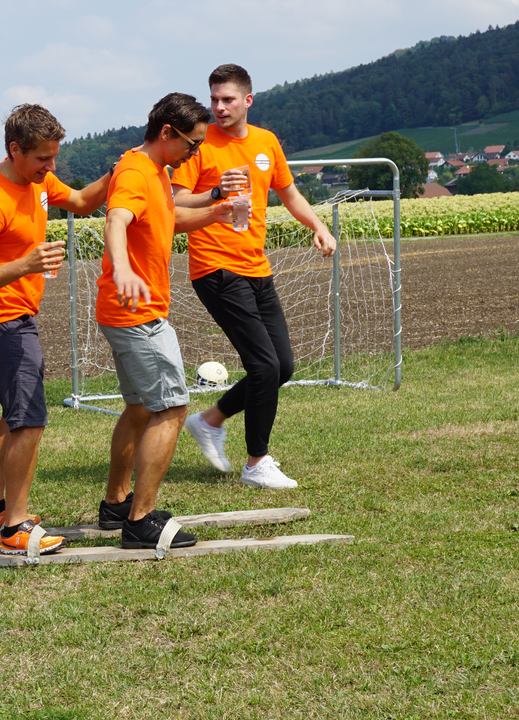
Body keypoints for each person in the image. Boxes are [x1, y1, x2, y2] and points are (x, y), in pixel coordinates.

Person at [171, 64, 337, 489]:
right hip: (215, 266)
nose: (219, 107)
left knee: (282, 366)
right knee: (263, 365)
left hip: (256, 266)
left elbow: (289, 193)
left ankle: (210, 420)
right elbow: (175, 201)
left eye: (227, 99)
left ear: (248, 100)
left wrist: (318, 226)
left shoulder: (266, 142)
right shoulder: (201, 144)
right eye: (213, 99)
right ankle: (256, 463)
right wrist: (216, 193)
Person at [0, 104, 112, 555]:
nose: (51, 167)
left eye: (54, 158)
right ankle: (14, 529)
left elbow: (83, 201)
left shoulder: (38, 181)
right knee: (29, 418)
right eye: (43, 159)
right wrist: (24, 264)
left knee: (14, 412)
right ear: (14, 150)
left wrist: (116, 172)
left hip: (19, 315)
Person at [97, 93, 234, 549]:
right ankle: (141, 521)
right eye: (192, 145)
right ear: (167, 133)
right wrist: (121, 267)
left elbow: (165, 219)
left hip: (132, 311)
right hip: (137, 314)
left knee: (140, 408)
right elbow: (116, 221)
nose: (196, 153)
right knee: (173, 408)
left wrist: (214, 210)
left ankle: (117, 505)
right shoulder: (136, 172)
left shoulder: (155, 170)